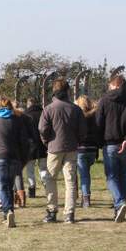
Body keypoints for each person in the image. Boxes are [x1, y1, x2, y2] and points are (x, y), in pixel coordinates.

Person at [39, 78, 86, 224]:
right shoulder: (76, 109)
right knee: (70, 181)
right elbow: (83, 130)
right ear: (67, 91)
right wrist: (77, 140)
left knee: (50, 179)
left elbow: (42, 129)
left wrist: (47, 141)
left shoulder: (49, 109)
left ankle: (52, 211)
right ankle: (69, 213)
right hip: (71, 147)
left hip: (54, 148)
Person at [96, 75, 126, 223]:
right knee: (123, 176)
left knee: (111, 177)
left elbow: (99, 123)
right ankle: (118, 209)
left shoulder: (104, 101)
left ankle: (120, 203)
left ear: (114, 85)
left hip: (109, 143)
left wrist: (99, 141)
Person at [0, 96, 29, 227]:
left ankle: (7, 212)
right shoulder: (18, 119)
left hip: (0, 156)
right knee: (9, 186)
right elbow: (24, 141)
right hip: (15, 156)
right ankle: (10, 213)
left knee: (2, 187)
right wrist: (23, 158)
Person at [75, 95, 99, 208]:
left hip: (81, 148)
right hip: (93, 148)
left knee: (83, 175)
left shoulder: (78, 116)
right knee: (86, 173)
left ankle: (85, 198)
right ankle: (85, 196)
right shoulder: (95, 115)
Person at [23, 97, 48, 199]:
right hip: (42, 145)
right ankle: (47, 186)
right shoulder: (44, 113)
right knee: (43, 168)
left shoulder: (25, 116)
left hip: (30, 146)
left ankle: (32, 190)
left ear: (28, 104)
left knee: (30, 170)